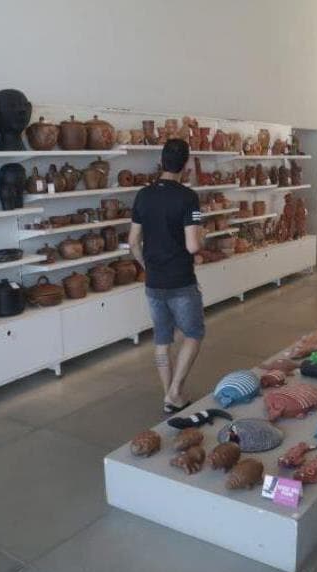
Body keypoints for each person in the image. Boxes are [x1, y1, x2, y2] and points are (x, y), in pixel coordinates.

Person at [129, 138, 205, 413]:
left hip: (154, 282)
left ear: (161, 161)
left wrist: (146, 266)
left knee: (162, 340)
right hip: (181, 280)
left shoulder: (143, 195)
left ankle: (169, 397)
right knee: (193, 333)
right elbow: (193, 246)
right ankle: (174, 392)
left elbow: (133, 242)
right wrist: (203, 238)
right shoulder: (188, 197)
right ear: (185, 164)